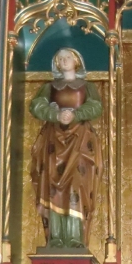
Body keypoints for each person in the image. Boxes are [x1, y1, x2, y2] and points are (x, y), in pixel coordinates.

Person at [29, 48, 102, 249]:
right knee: (53, 187)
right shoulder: (49, 87)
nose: (64, 61)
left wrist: (76, 115)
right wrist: (56, 115)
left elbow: (96, 107)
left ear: (76, 60)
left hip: (80, 141)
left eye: (67, 57)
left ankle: (75, 237)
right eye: (59, 59)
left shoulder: (87, 87)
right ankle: (56, 238)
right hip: (54, 142)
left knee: (77, 185)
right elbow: (36, 106)